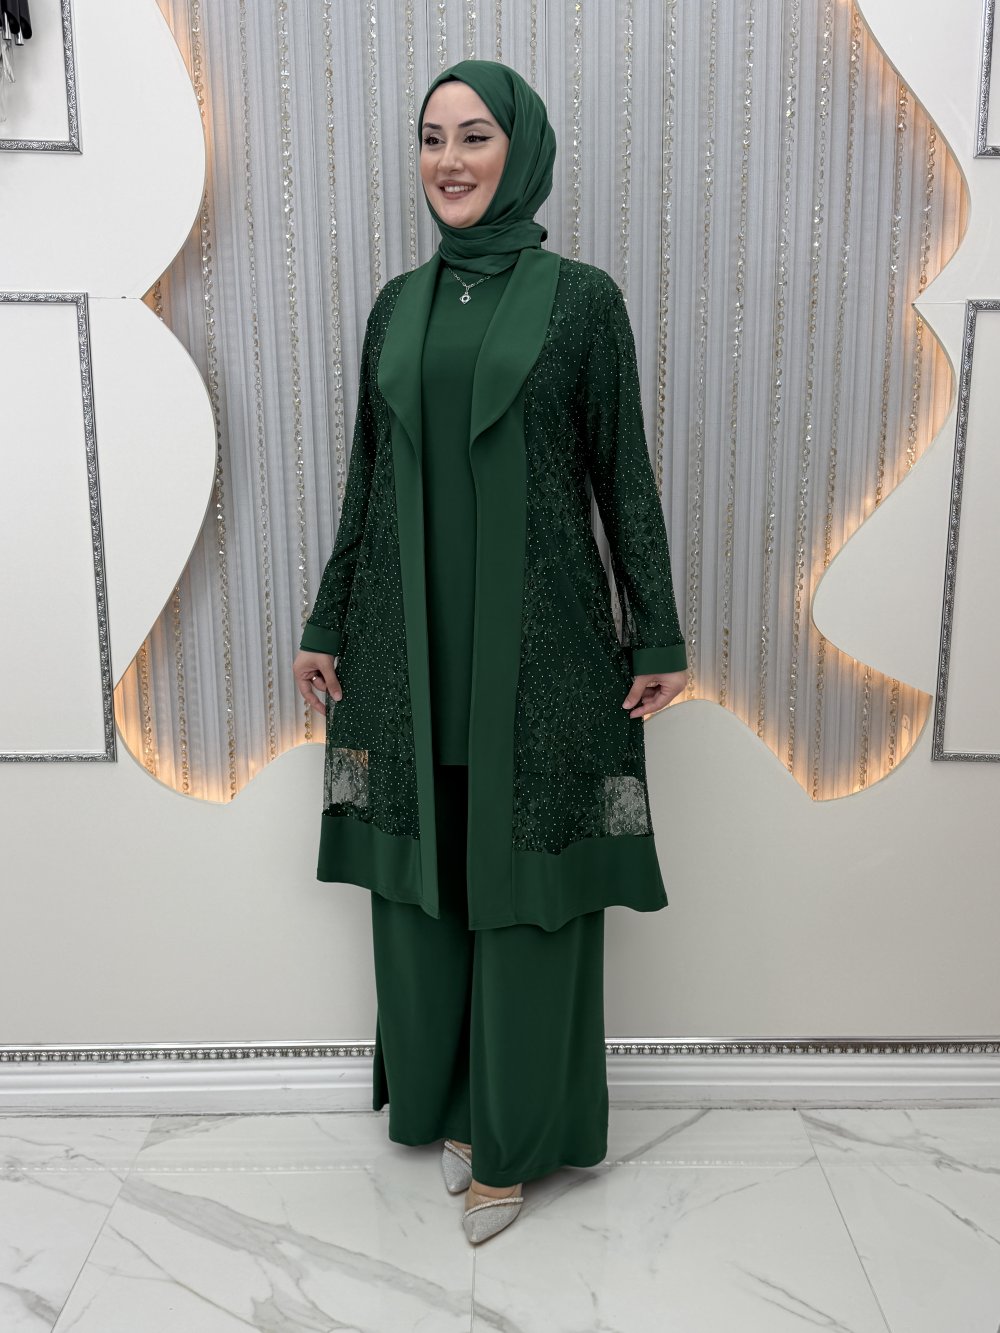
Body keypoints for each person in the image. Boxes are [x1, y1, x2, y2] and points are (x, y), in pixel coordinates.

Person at [292, 58, 686, 1244]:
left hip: (545, 649)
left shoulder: (581, 301)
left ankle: (513, 1137)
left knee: (526, 891)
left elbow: (622, 473)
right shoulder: (395, 305)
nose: (449, 160)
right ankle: (451, 1101)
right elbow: (368, 477)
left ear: (520, 150)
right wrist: (326, 619)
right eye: (432, 138)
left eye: (473, 135)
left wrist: (656, 627)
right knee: (427, 878)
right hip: (403, 647)